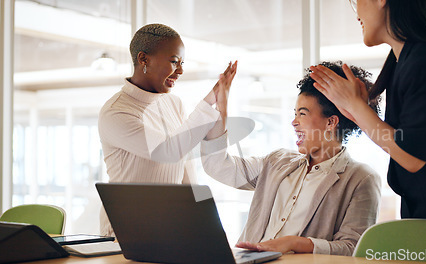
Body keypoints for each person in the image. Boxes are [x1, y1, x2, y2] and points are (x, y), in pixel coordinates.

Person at [310, 0, 426, 255]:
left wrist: (357, 109)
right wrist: (356, 113)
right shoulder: (407, 60)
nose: (356, 13)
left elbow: (411, 155)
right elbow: (403, 143)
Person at [201, 61, 381, 255]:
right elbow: (218, 166)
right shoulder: (277, 162)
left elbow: (353, 248)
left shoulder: (361, 179)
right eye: (295, 113)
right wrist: (221, 113)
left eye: (302, 114)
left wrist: (294, 243)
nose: (294, 122)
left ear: (331, 122)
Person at [98, 23, 237, 236]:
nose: (180, 71)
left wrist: (199, 219)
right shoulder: (117, 112)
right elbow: (169, 151)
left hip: (167, 226)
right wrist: (209, 101)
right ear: (144, 59)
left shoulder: (173, 103)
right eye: (174, 62)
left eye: (182, 63)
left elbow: (184, 167)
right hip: (125, 230)